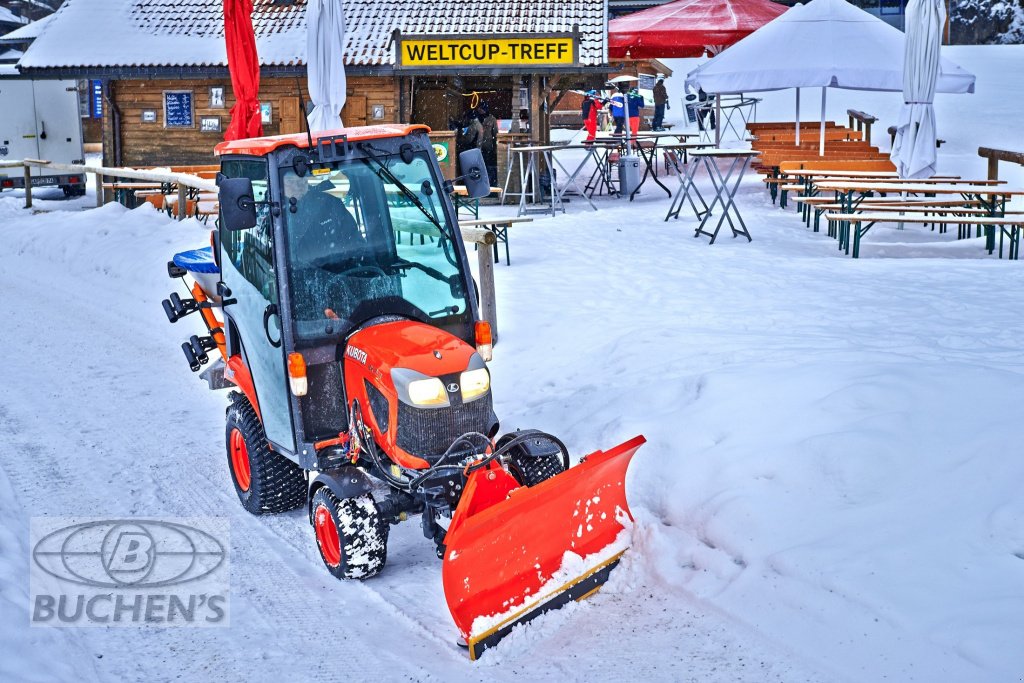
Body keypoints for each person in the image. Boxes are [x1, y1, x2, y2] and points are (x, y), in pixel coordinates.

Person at [476, 103, 498, 183]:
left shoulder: (492, 119)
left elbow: (495, 134)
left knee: (487, 165)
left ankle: (488, 181)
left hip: (488, 146)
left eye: (481, 109)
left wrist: (495, 148)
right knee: (479, 165)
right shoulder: (477, 119)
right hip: (477, 146)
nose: (480, 111)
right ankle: (480, 181)